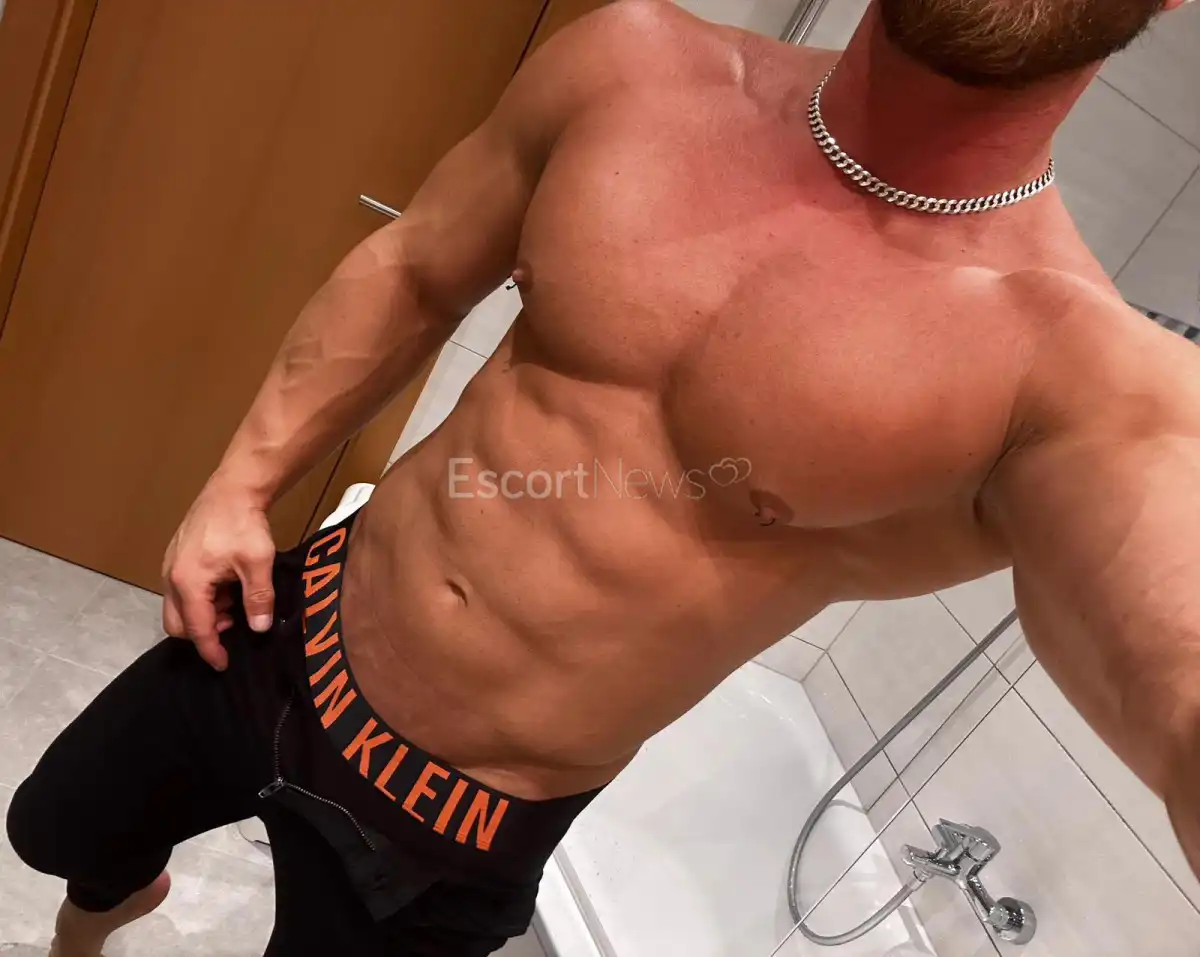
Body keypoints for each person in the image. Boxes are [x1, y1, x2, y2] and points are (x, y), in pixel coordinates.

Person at [7, 0, 1200, 953]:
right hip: (289, 625)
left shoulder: (1081, 379)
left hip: (460, 821)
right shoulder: (634, 66)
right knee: (57, 834)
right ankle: (90, 928)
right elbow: (416, 267)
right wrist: (239, 484)